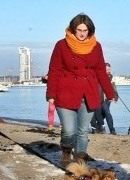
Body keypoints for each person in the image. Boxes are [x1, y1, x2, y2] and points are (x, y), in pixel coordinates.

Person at [46, 13, 115, 166]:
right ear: (73, 29)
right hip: (66, 94)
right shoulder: (61, 45)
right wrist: (51, 94)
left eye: (85, 30)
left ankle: (79, 163)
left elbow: (100, 71)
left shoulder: (96, 46)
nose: (82, 33)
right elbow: (54, 70)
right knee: (69, 131)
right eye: (79, 30)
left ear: (90, 31)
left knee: (83, 131)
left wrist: (110, 93)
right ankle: (66, 149)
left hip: (89, 94)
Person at [90, 63, 119, 134]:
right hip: (101, 98)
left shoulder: (110, 77)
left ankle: (101, 127)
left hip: (107, 98)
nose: (108, 71)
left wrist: (116, 97)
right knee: (105, 113)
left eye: (109, 69)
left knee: (104, 113)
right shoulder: (99, 76)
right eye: (107, 69)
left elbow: (113, 88)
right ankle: (111, 129)